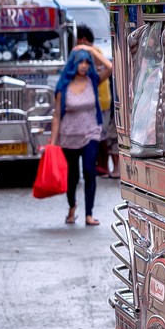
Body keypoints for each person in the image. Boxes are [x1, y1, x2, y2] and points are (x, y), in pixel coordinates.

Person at [53, 29, 112, 226]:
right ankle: (72, 206)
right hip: (69, 136)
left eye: (87, 62)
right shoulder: (63, 86)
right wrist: (53, 142)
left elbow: (109, 66)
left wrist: (89, 49)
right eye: (81, 61)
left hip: (91, 133)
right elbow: (56, 116)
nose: (85, 66)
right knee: (72, 177)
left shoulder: (93, 81)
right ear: (73, 64)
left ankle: (89, 213)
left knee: (89, 171)